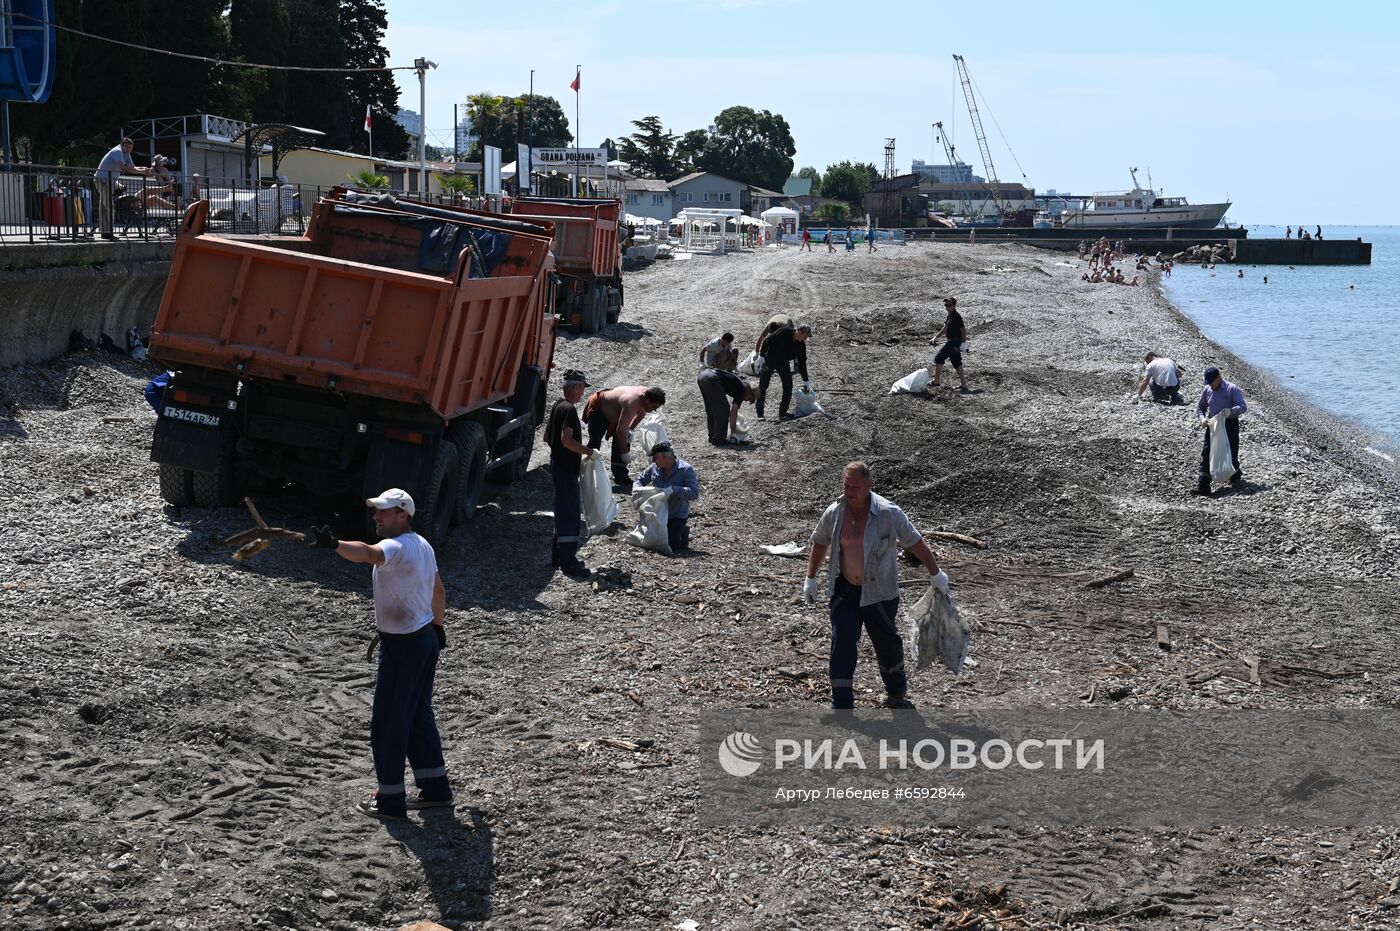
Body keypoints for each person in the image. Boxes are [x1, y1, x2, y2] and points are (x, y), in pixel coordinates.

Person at [307, 489, 451, 820]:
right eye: (376, 511)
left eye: (383, 512)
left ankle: (389, 801)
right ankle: (436, 790)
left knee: (388, 723)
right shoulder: (423, 544)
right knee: (417, 715)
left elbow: (369, 553)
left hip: (404, 647)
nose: (376, 517)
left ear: (403, 514)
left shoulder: (396, 546)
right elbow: (438, 590)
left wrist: (334, 545)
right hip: (426, 638)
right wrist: (438, 628)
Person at [804, 462, 949, 710]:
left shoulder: (888, 513)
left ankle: (896, 693)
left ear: (869, 486)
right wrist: (811, 577)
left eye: (855, 487)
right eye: (846, 485)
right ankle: (841, 704)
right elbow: (819, 542)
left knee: (886, 644)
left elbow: (915, 542)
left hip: (880, 592)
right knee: (843, 641)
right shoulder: (836, 512)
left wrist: (936, 574)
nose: (849, 492)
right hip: (846, 589)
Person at [545, 370, 597, 577]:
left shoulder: (557, 405)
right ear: (575, 387)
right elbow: (566, 440)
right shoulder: (569, 410)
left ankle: (556, 557)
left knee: (561, 510)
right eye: (582, 388)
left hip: (557, 464)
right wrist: (589, 452)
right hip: (566, 468)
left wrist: (557, 452)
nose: (582, 393)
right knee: (569, 513)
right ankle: (568, 562)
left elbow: (547, 437)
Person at [582, 385, 666, 492]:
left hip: (615, 411)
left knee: (623, 437)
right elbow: (619, 432)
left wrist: (631, 429)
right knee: (595, 441)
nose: (654, 410)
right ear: (648, 400)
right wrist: (625, 453)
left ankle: (620, 475)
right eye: (654, 407)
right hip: (599, 407)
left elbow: (642, 412)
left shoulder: (646, 397)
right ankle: (587, 474)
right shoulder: (632, 402)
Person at [635, 441, 700, 553]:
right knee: (647, 541)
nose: (653, 461)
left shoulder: (685, 469)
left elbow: (694, 492)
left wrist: (674, 490)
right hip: (657, 513)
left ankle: (682, 533)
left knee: (670, 545)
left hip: (675, 516)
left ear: (666, 457)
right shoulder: (654, 468)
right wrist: (637, 489)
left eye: (656, 457)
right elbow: (639, 479)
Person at [1193, 367, 1247, 495]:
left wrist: (1230, 411)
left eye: (1212, 381)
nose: (1210, 384)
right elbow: (1201, 407)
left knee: (1230, 452)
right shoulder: (1207, 390)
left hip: (1229, 424)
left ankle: (1235, 474)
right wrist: (1202, 418)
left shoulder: (1231, 389)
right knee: (1207, 452)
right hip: (1213, 425)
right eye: (1208, 382)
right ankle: (1203, 486)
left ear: (1218, 377)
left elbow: (1243, 406)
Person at [93, 137, 150, 240]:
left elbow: (132, 167)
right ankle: (108, 232)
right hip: (104, 181)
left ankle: (105, 232)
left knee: (104, 207)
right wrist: (141, 171)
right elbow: (123, 168)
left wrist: (143, 169)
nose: (128, 149)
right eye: (127, 147)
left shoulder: (126, 154)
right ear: (122, 145)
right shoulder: (117, 151)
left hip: (109, 181)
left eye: (130, 147)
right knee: (109, 206)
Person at [756, 323, 811, 420]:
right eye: (806, 336)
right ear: (800, 332)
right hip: (769, 360)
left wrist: (806, 380)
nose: (806, 339)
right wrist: (761, 355)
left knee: (788, 385)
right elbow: (767, 341)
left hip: (783, 363)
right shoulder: (784, 331)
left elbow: (802, 363)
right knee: (763, 384)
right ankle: (760, 413)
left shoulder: (801, 345)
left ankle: (783, 413)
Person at [697, 367, 755, 445]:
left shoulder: (740, 385)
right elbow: (733, 412)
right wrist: (733, 434)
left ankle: (712, 436)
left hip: (702, 376)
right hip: (712, 378)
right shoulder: (742, 390)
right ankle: (719, 438)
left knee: (711, 408)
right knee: (723, 409)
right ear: (750, 392)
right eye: (750, 399)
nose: (746, 401)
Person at [931, 296, 970, 392]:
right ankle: (964, 385)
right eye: (945, 305)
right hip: (953, 341)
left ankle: (936, 381)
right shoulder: (950, 315)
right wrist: (936, 337)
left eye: (949, 305)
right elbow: (945, 328)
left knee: (939, 358)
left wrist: (963, 344)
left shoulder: (957, 317)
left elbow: (963, 331)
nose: (947, 307)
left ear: (954, 305)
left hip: (954, 341)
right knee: (956, 361)